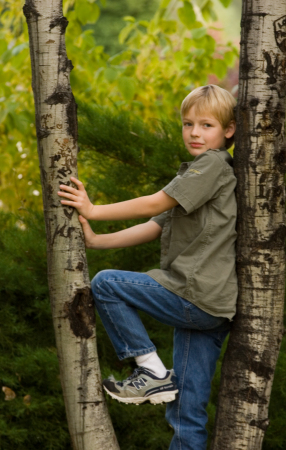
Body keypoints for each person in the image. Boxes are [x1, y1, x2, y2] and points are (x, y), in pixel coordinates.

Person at [57, 84, 238, 450]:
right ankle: (159, 380)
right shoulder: (201, 175)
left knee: (107, 284)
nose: (195, 133)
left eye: (207, 125)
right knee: (187, 413)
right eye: (188, 124)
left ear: (229, 131)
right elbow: (155, 225)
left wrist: (93, 210)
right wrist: (96, 240)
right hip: (212, 309)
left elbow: (153, 204)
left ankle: (152, 371)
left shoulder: (212, 166)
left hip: (194, 295)